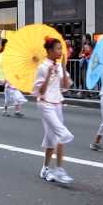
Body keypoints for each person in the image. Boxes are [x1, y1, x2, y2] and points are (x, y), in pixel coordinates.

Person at [33, 37, 74, 184]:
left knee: (51, 138)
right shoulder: (43, 67)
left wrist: (62, 68)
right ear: (50, 50)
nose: (60, 51)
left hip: (57, 103)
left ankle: (45, 168)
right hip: (45, 104)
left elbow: (66, 86)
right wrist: (49, 74)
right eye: (58, 48)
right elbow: (39, 91)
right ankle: (59, 170)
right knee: (61, 134)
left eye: (60, 48)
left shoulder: (58, 65)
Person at [0, 39, 27, 117]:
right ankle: (5, 111)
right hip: (8, 87)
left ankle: (17, 111)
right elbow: (6, 77)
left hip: (14, 86)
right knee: (7, 100)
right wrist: (3, 81)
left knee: (17, 98)